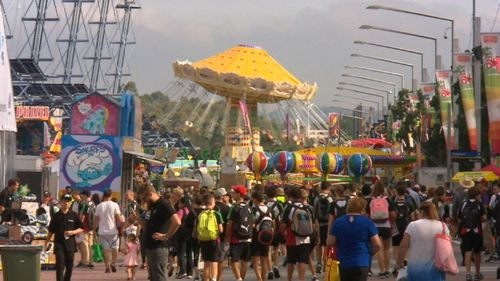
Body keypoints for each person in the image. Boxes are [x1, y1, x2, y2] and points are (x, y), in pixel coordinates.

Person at [327, 197, 381, 281]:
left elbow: (330, 242)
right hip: (362, 261)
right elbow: (377, 244)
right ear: (362, 208)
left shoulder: (339, 222)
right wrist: (369, 254)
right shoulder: (367, 222)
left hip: (344, 262)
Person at [397, 201, 453, 281]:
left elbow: (404, 245)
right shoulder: (442, 226)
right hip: (436, 268)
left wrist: (399, 262)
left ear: (422, 212)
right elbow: (449, 244)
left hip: (415, 267)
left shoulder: (413, 225)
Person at [141, 183, 181, 281]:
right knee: (153, 277)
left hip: (159, 246)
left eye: (144, 198)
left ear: (149, 194)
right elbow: (148, 225)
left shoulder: (163, 204)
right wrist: (139, 220)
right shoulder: (152, 206)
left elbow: (177, 221)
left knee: (159, 276)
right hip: (150, 246)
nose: (144, 201)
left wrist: (166, 236)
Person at [45, 194, 84, 281]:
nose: (66, 203)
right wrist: (46, 241)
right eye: (64, 201)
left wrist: (73, 232)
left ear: (70, 203)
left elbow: (81, 227)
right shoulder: (56, 216)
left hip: (70, 244)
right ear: (61, 202)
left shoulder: (74, 215)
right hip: (59, 244)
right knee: (60, 265)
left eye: (68, 201)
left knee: (69, 266)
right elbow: (51, 230)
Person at [282, 187, 315, 281]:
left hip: (292, 238)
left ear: (291, 197)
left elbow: (284, 224)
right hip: (306, 237)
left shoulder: (288, 208)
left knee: (291, 261)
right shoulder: (307, 207)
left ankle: (289, 279)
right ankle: (302, 279)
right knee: (302, 260)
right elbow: (313, 223)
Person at [368, 181, 396, 279]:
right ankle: (387, 270)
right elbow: (392, 214)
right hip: (386, 226)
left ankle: (382, 271)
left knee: (378, 249)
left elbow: (367, 215)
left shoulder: (371, 200)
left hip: (375, 227)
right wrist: (391, 222)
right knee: (387, 249)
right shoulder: (388, 199)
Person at [458, 185, 485, 281]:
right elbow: (483, 218)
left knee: (468, 251)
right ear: (476, 195)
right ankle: (477, 273)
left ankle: (468, 273)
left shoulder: (464, 203)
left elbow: (460, 216)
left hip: (466, 230)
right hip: (477, 230)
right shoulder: (479, 204)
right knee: (477, 252)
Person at [93, 189, 125, 273]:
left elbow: (96, 219)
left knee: (105, 250)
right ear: (111, 195)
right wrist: (122, 225)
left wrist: (94, 229)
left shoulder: (99, 206)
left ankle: (107, 266)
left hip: (102, 231)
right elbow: (118, 218)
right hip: (113, 230)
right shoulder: (114, 205)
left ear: (104, 195)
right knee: (115, 248)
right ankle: (113, 263)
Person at [226, 185, 253, 281]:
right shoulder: (249, 208)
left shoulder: (234, 207)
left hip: (236, 238)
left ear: (239, 194)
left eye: (233, 192)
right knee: (245, 260)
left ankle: (238, 278)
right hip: (247, 237)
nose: (232, 194)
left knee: (234, 260)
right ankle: (242, 278)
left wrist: (227, 235)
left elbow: (230, 223)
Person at [197, 193, 224, 281]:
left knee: (206, 262)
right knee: (214, 261)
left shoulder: (201, 214)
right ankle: (213, 278)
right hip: (213, 240)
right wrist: (216, 233)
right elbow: (221, 229)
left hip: (203, 240)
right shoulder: (216, 214)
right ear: (213, 203)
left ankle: (206, 279)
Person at [391, 184, 415, 276]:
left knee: (396, 247)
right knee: (406, 247)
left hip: (395, 228)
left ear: (396, 192)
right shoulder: (409, 203)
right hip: (406, 227)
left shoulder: (393, 203)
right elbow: (412, 216)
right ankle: (405, 265)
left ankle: (397, 267)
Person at [251, 191, 274, 281]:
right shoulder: (269, 209)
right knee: (264, 259)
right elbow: (273, 223)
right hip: (267, 236)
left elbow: (252, 224)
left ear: (255, 199)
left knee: (256, 260)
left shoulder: (254, 210)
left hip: (257, 236)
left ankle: (259, 279)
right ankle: (263, 279)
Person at [313, 181, 334, 274]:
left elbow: (314, 212)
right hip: (328, 224)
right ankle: (326, 263)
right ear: (328, 189)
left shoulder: (316, 198)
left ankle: (318, 263)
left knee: (318, 243)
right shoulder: (331, 199)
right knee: (326, 244)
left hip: (318, 224)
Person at [265, 185, 284, 279]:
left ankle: (270, 270)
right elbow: (281, 217)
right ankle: (276, 266)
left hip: (266, 230)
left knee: (268, 250)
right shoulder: (279, 204)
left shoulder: (264, 203)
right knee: (276, 249)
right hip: (276, 229)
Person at [214, 187, 231, 281]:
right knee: (221, 261)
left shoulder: (211, 207)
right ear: (223, 196)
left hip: (208, 237)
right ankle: (218, 279)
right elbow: (229, 223)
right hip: (222, 237)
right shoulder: (227, 208)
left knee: (210, 261)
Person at [76, 190, 94, 268]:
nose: (81, 197)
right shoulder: (93, 204)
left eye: (82, 195)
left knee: (84, 244)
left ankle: (85, 261)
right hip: (91, 227)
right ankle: (90, 261)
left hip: (84, 227)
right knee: (90, 245)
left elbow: (82, 216)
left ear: (85, 196)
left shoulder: (84, 204)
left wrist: (78, 226)